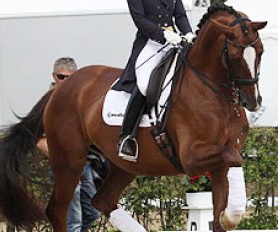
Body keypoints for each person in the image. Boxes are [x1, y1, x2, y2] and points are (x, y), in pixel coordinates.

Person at [112, 0, 195, 162]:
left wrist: (189, 33)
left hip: (174, 41)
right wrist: (162, 34)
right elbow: (139, 20)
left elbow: (180, 16)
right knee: (144, 85)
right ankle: (127, 137)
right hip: (150, 43)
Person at [37, 57, 100, 232]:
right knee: (73, 218)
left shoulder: (79, 100)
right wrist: (61, 159)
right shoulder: (48, 103)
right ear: (54, 76)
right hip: (64, 168)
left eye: (70, 77)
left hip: (84, 166)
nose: (65, 81)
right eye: (61, 76)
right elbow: (38, 139)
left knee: (93, 212)